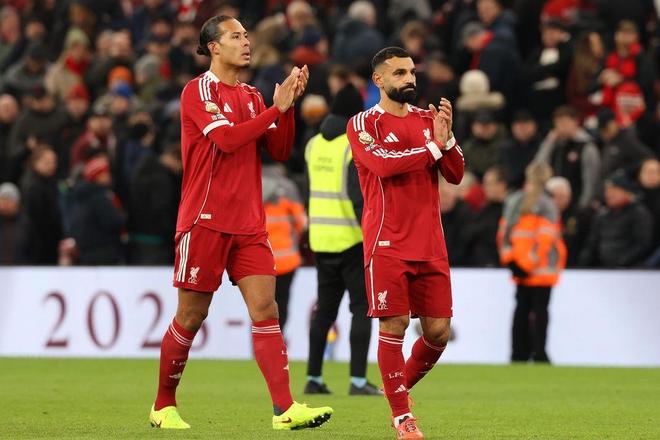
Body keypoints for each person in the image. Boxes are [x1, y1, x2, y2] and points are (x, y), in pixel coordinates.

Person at [148, 15, 332, 431]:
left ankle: (284, 409)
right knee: (191, 316)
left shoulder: (251, 96)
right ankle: (163, 404)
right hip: (205, 220)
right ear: (214, 46)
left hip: (248, 223)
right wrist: (274, 110)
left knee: (266, 309)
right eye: (236, 36)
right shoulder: (198, 91)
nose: (246, 42)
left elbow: (280, 150)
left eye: (248, 35)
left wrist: (286, 110)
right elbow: (228, 140)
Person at [347, 47, 465, 439]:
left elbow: (456, 174)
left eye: (411, 72)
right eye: (399, 73)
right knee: (394, 324)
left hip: (430, 243)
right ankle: (403, 418)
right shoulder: (363, 123)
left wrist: (447, 140)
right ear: (378, 80)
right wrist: (433, 147)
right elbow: (384, 165)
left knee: (438, 332)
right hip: (388, 241)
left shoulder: (429, 120)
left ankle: (395, 390)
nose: (409, 79)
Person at [304, 83, 380, 396]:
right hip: (351, 239)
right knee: (361, 308)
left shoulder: (313, 145)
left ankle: (313, 378)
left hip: (320, 239)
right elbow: (356, 195)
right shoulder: (351, 146)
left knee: (324, 312)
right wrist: (372, 231)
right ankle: (358, 381)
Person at [498, 162, 566, 363]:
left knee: (521, 309)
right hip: (542, 269)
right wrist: (530, 262)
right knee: (540, 311)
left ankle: (518, 353)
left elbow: (504, 234)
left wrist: (511, 261)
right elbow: (546, 238)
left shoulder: (514, 200)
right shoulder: (548, 204)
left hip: (519, 265)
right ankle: (539, 353)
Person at [262, 164, 306, 331]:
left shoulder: (249, 184)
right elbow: (301, 222)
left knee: (258, 308)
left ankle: (259, 344)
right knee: (282, 305)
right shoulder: (288, 187)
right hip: (286, 260)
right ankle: (278, 342)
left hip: (258, 261)